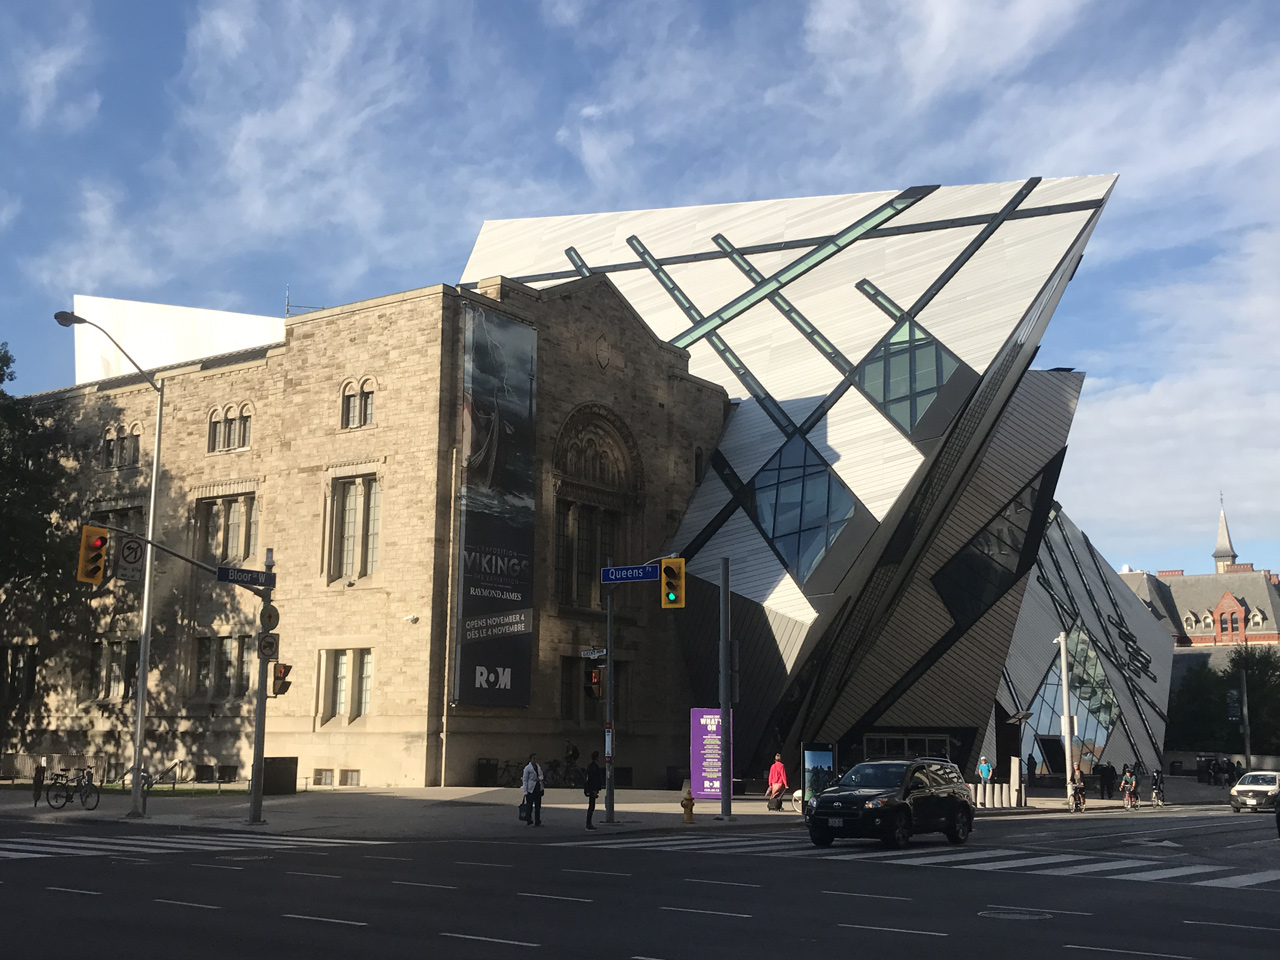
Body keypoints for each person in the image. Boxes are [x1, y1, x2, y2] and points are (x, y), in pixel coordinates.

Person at [522, 753, 545, 827]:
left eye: (536, 759)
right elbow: (525, 780)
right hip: (531, 789)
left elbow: (541, 775)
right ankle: (529, 820)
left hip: (538, 788)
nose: (535, 760)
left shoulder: (538, 767)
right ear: (530, 759)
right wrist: (525, 791)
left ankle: (537, 821)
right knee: (530, 806)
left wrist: (539, 778)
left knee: (538, 806)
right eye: (533, 758)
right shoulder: (527, 768)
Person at [584, 751, 603, 830]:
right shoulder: (595, 767)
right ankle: (588, 824)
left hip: (590, 788)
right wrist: (595, 789)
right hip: (592, 789)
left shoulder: (590, 766)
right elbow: (594, 779)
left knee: (591, 806)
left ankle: (589, 823)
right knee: (591, 806)